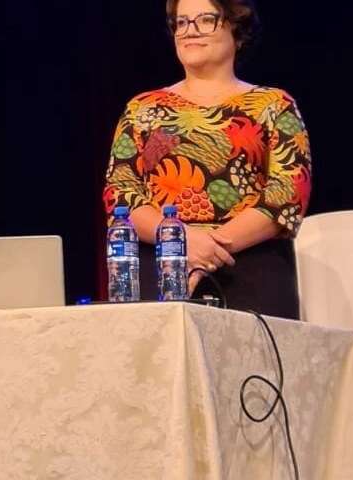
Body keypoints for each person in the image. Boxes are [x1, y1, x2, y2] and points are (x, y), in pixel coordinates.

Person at [103, 0, 312, 318]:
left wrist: (206, 249)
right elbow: (120, 193)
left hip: (250, 264)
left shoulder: (273, 105)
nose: (190, 31)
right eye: (182, 22)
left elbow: (288, 194)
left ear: (236, 28)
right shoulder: (143, 109)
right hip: (160, 268)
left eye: (205, 20)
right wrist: (180, 242)